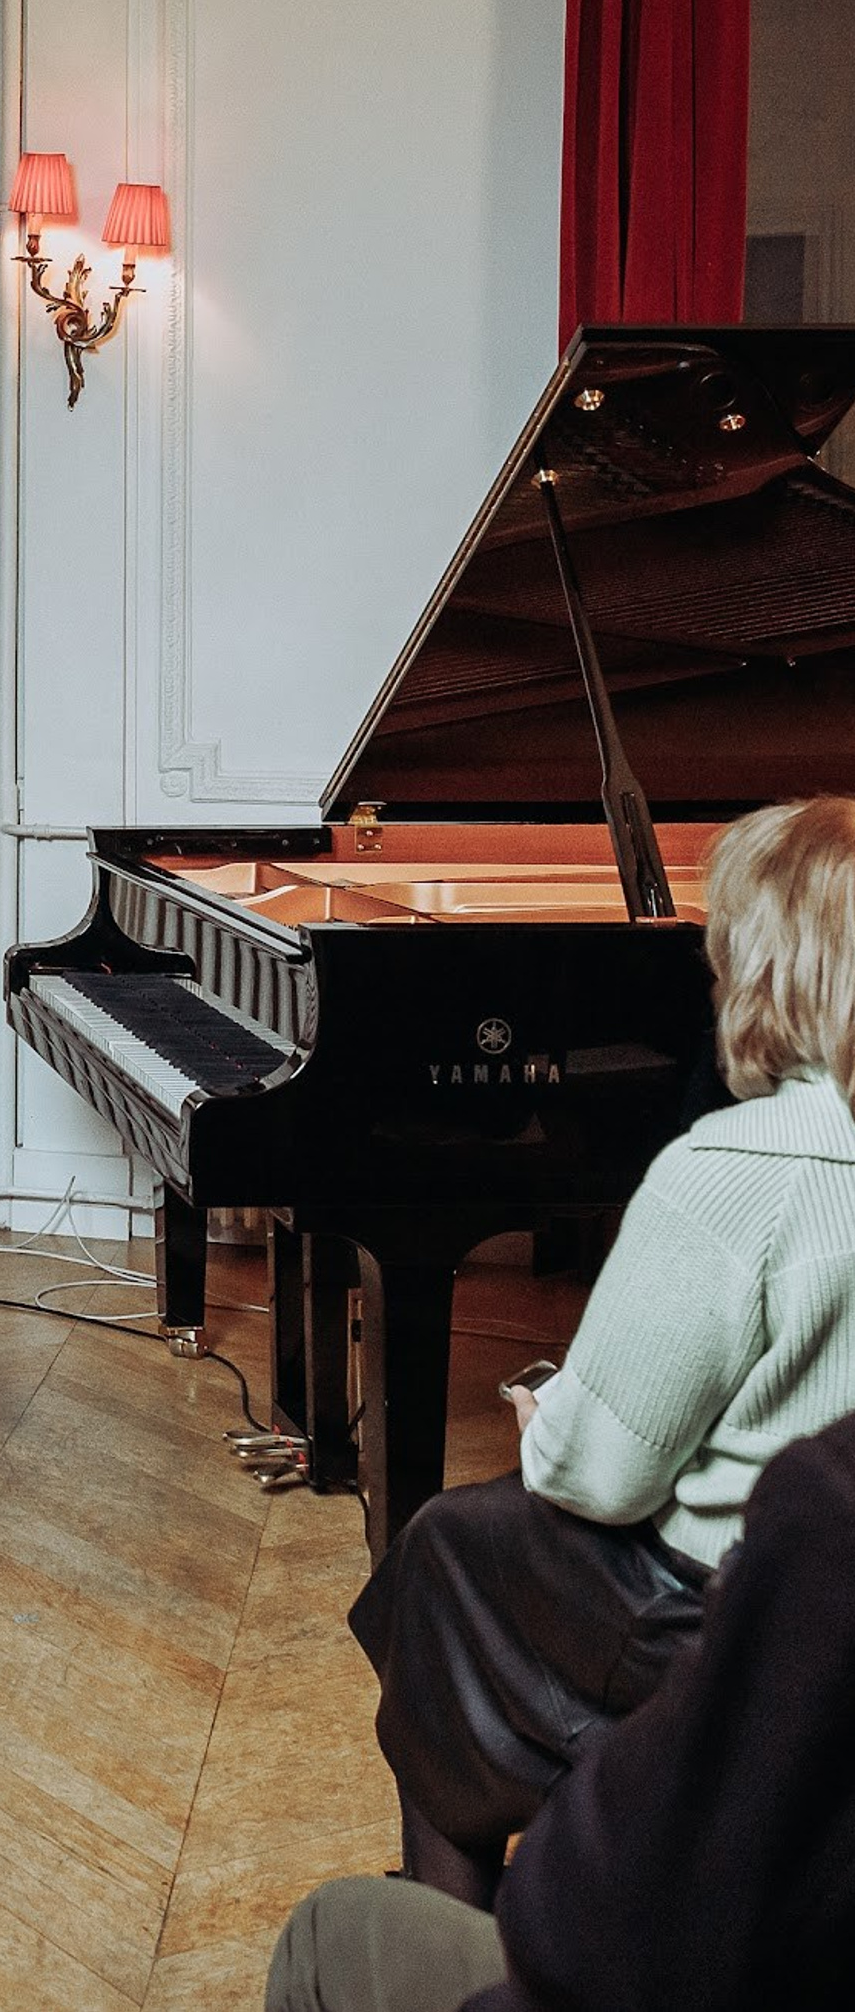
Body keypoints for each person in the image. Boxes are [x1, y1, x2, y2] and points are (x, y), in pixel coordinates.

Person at [351, 795, 855, 1906]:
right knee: (460, 1550)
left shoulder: (733, 1168)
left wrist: (549, 1427)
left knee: (442, 1558)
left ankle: (463, 1940)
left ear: (766, 964)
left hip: (733, 1615)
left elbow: (609, 1477)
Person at [268, 1407, 855, 2012]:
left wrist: (550, 1422)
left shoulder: (829, 1510)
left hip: (667, 1590)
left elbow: (594, 1923)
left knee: (325, 1931)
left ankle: (452, 1879)